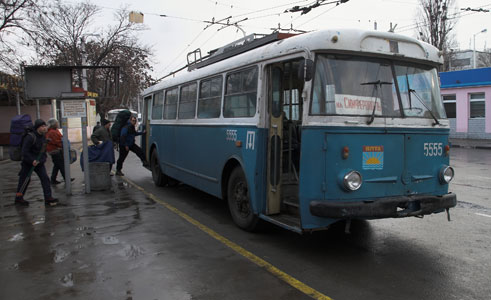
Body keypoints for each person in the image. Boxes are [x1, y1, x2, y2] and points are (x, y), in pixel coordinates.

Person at [14, 119, 59, 207]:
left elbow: (43, 151)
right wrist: (32, 160)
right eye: (42, 126)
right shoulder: (30, 137)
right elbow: (24, 152)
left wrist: (41, 160)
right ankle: (19, 198)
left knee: (45, 179)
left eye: (45, 126)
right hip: (28, 162)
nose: (44, 128)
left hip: (39, 163)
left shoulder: (43, 137)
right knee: (25, 180)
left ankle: (48, 197)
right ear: (38, 127)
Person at [46, 118, 74, 185]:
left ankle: (53, 180)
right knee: (61, 165)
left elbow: (61, 137)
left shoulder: (55, 130)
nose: (58, 124)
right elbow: (56, 141)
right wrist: (63, 143)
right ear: (53, 124)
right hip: (55, 150)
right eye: (56, 123)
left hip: (56, 150)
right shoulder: (52, 132)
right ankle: (66, 179)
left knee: (57, 165)